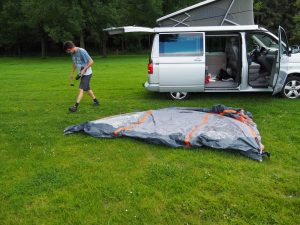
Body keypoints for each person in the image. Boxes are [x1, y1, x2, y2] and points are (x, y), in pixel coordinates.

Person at [64, 41, 99, 112]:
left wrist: (84, 70)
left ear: (72, 47)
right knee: (87, 89)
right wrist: (71, 73)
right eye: (67, 51)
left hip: (87, 73)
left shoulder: (81, 51)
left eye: (69, 50)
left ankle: (75, 107)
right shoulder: (72, 53)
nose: (68, 52)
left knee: (81, 89)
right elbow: (74, 63)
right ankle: (96, 101)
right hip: (81, 73)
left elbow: (91, 61)